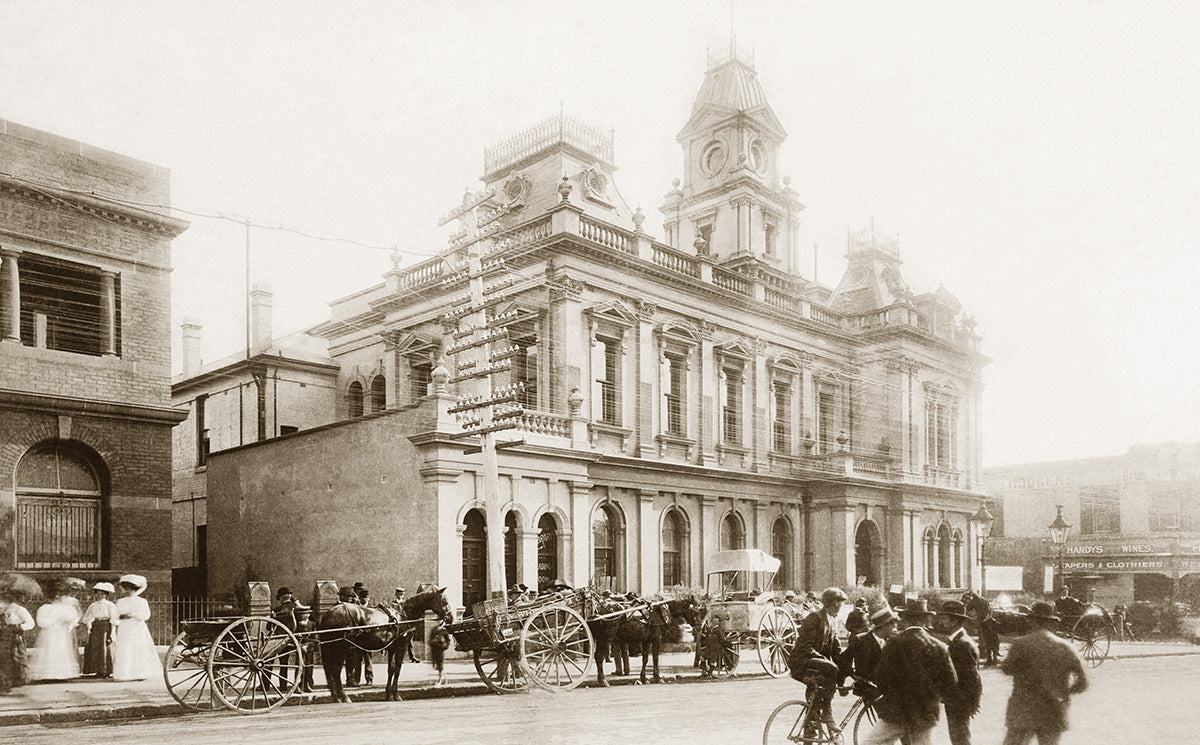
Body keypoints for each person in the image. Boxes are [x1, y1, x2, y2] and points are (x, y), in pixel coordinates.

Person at [858, 598, 958, 745]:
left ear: (906, 620)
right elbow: (950, 682)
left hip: (897, 711)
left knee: (873, 743)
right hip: (926, 712)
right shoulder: (940, 647)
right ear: (925, 620)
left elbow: (881, 678)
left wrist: (892, 695)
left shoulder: (894, 643)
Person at [1001, 601, 1088, 745]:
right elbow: (1083, 682)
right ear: (1051, 623)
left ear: (1032, 621)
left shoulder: (1021, 644)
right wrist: (1062, 692)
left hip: (1023, 709)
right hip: (1054, 710)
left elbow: (1006, 668)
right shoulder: (1067, 647)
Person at [787, 587, 847, 732]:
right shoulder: (814, 618)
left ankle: (810, 730)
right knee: (830, 668)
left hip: (815, 663)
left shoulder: (832, 620)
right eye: (841, 602)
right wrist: (826, 661)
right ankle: (827, 713)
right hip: (801, 662)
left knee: (817, 693)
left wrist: (849, 671)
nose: (842, 606)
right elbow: (804, 647)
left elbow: (836, 650)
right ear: (834, 603)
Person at [938, 600, 983, 745]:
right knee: (959, 738)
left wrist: (973, 703)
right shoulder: (960, 641)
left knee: (960, 739)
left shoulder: (961, 644)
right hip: (958, 701)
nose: (942, 621)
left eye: (945, 618)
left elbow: (973, 677)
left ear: (955, 621)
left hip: (959, 701)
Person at [838, 606, 899, 700]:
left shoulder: (888, 641)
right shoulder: (861, 640)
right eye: (893, 627)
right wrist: (853, 676)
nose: (895, 630)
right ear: (884, 626)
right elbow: (843, 659)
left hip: (883, 684)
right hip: (868, 686)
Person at [111, 575, 160, 681]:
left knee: (138, 648)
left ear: (132, 588)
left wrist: (132, 614)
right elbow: (115, 614)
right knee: (125, 648)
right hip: (124, 627)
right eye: (124, 588)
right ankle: (125, 674)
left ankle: (140, 673)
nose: (125, 590)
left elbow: (146, 615)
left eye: (127, 588)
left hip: (137, 627)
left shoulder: (141, 601)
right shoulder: (120, 601)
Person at [30, 581, 81, 681]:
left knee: (62, 650)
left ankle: (62, 674)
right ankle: (49, 674)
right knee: (51, 650)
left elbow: (72, 619)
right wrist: (53, 619)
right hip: (50, 633)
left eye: (59, 596)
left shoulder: (66, 608)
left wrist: (66, 621)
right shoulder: (45, 608)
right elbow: (41, 623)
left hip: (61, 633)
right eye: (55, 597)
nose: (57, 598)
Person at [0, 593, 35, 693]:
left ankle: (11, 683)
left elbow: (30, 623)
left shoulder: (20, 610)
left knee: (15, 659)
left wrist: (17, 627)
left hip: (15, 638)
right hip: (3, 637)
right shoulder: (2, 610)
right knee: (4, 661)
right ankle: (4, 684)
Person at [80, 582, 117, 678]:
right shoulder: (93, 605)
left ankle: (107, 670)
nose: (100, 596)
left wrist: (113, 632)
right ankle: (98, 670)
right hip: (96, 627)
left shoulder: (110, 605)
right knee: (95, 648)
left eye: (102, 594)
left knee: (105, 647)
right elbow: (87, 617)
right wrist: (89, 625)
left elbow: (114, 619)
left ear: (106, 595)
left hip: (106, 627)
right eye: (98, 594)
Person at [428, 620, 451, 687]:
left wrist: (445, 646)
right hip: (434, 648)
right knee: (435, 664)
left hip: (440, 649)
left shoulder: (444, 630)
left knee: (440, 664)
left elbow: (448, 640)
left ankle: (440, 680)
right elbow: (430, 638)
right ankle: (445, 677)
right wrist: (431, 642)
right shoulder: (434, 629)